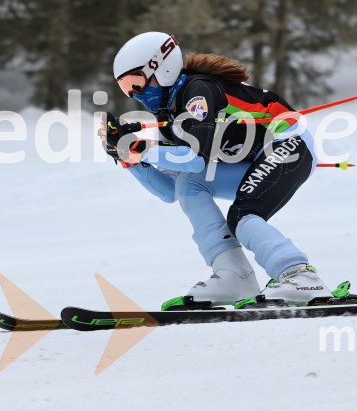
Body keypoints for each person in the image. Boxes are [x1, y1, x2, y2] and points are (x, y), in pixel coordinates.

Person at [102, 31, 333, 309]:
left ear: (160, 69)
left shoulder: (199, 91)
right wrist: (131, 160)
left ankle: (300, 276)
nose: (134, 94)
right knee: (190, 185)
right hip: (256, 159)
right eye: (126, 88)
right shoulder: (169, 114)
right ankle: (234, 276)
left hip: (289, 144)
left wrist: (143, 148)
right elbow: (169, 190)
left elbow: (196, 157)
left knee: (243, 215)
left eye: (135, 82)